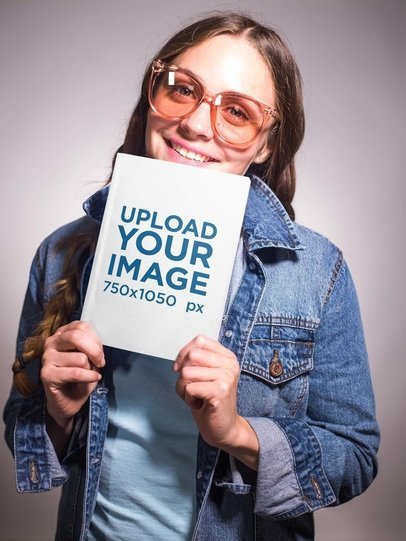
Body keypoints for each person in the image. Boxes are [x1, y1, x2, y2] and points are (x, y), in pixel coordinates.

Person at [3, 11, 379, 541]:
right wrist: (58, 414)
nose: (198, 124)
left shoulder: (317, 274)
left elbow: (355, 456)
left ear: (266, 144)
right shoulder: (63, 251)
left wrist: (238, 433)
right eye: (182, 89)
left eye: (238, 112)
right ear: (153, 92)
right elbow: (24, 424)